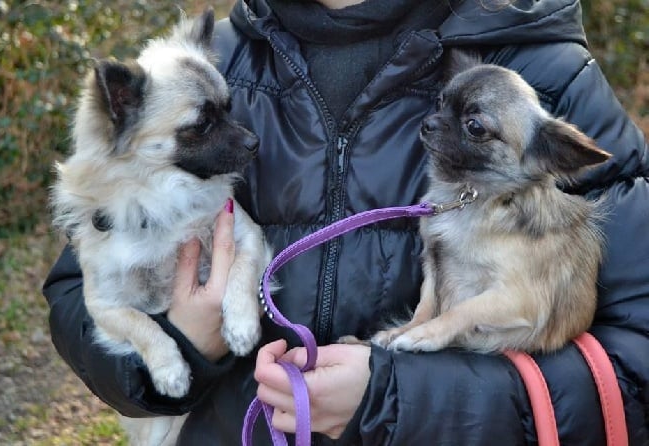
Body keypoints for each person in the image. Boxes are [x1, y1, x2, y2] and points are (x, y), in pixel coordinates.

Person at [43, 0, 649, 444]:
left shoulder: (538, 74)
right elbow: (80, 292)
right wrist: (170, 350)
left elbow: (636, 363)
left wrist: (397, 399)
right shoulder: (208, 65)